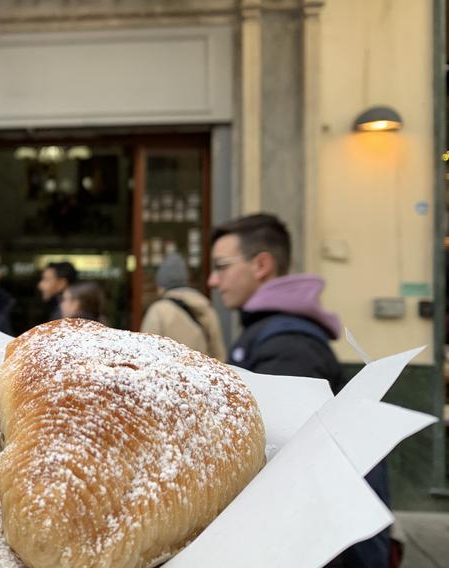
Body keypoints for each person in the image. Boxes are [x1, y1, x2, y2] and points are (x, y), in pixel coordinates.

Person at [208, 212, 391, 568]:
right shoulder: (271, 332)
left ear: (261, 264)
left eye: (222, 266)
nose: (213, 280)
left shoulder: (287, 343)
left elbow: (277, 465)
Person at [140, 252, 226, 360]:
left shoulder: (158, 311)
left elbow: (146, 354)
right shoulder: (206, 307)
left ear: (161, 286)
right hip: (200, 374)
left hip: (170, 375)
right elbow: (219, 354)